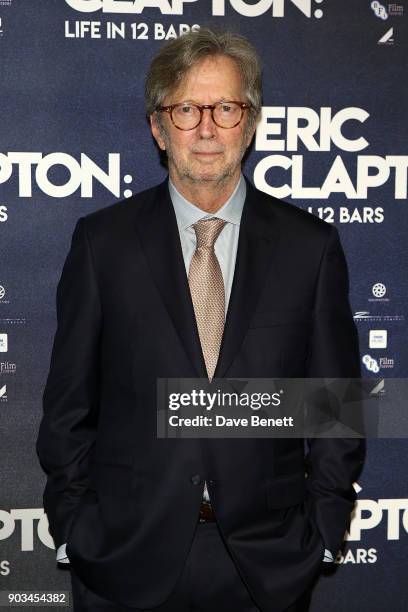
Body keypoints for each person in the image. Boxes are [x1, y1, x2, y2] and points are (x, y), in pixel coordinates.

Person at [36, 27, 365, 612]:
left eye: (226, 107)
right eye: (186, 108)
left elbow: (335, 405)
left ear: (252, 121)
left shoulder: (308, 248)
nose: (207, 127)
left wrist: (322, 527)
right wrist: (76, 525)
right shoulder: (102, 244)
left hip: (266, 563)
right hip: (123, 556)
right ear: (159, 128)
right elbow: (68, 409)